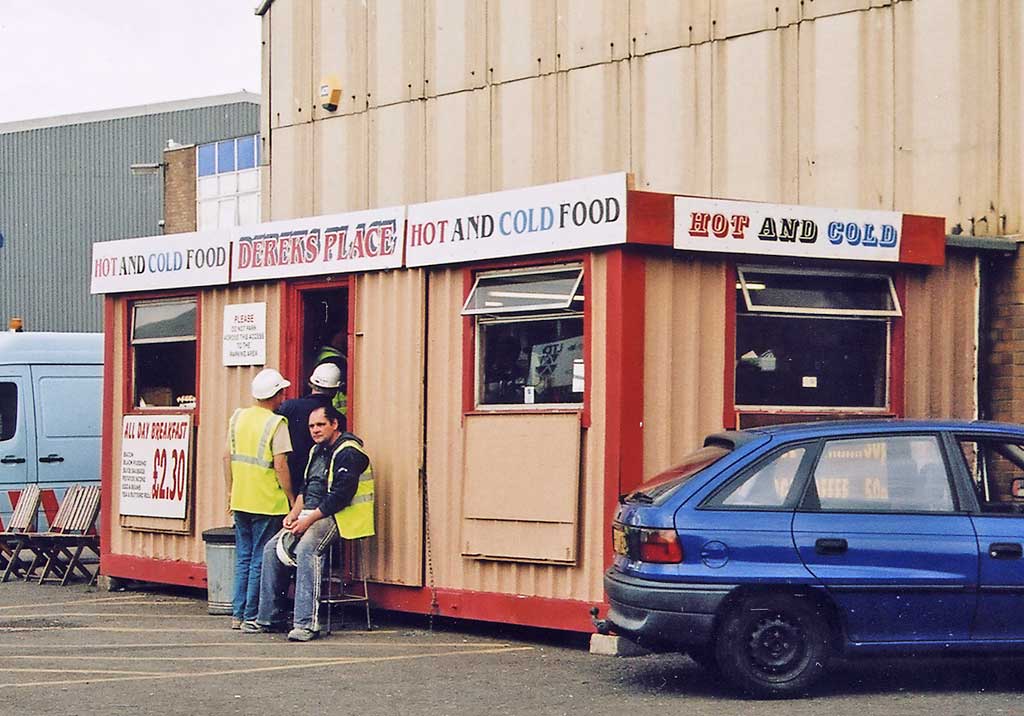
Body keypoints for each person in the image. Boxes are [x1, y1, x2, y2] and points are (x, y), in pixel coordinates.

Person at [250, 403, 374, 641]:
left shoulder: (349, 451)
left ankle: (306, 624)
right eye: (311, 426)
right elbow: (307, 489)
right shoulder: (315, 451)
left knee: (308, 549)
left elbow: (339, 497)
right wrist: (294, 514)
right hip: (311, 513)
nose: (315, 430)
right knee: (270, 549)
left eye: (320, 425)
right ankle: (269, 618)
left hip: (340, 516)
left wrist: (308, 521)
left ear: (334, 424)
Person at [223, 368, 296, 631]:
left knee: (243, 557)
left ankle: (238, 613)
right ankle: (252, 615)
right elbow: (281, 465)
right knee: (258, 559)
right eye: (281, 392)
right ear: (276, 394)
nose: (283, 397)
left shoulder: (237, 418)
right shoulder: (277, 423)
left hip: (241, 499)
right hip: (266, 501)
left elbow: (226, 457)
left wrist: (230, 491)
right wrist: (291, 497)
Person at [276, 363, 343, 495]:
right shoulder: (337, 418)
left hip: (286, 481)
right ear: (335, 390)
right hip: (318, 484)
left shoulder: (288, 407)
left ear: (311, 384)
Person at [314, 328, 348, 417]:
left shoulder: (323, 354)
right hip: (337, 411)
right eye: (343, 333)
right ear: (335, 336)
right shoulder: (335, 359)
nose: (346, 337)